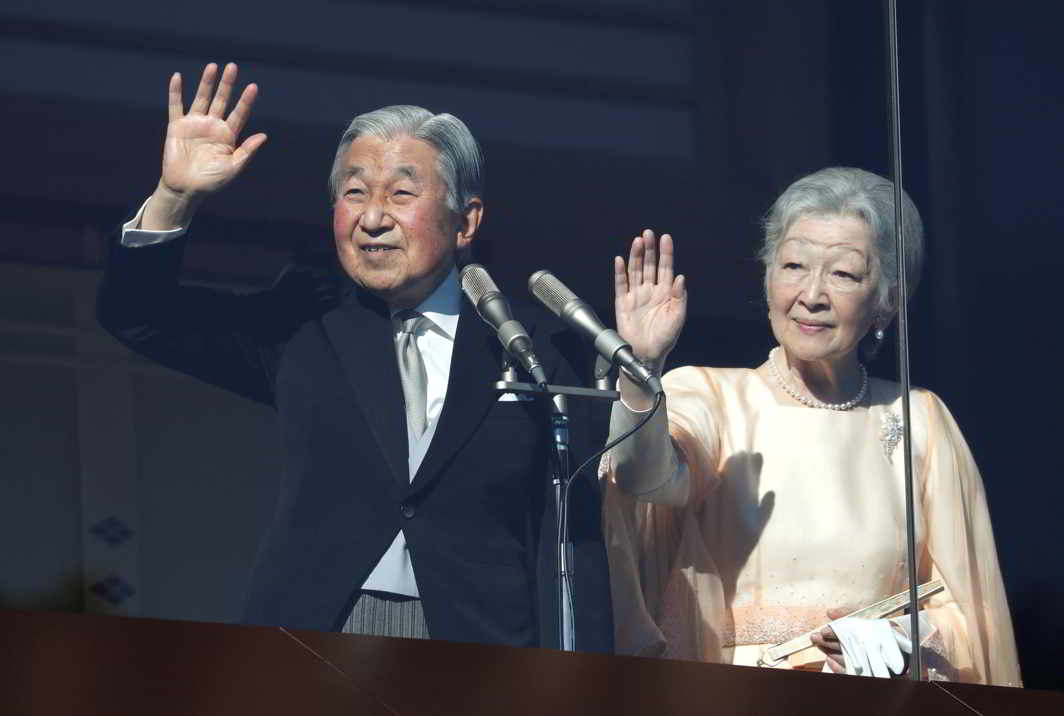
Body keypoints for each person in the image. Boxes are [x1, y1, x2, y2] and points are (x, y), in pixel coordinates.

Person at [97, 62, 613, 651]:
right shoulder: (303, 323)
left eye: (400, 193)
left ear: (466, 221)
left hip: (480, 641)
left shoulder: (529, 345)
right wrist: (174, 198)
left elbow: (578, 531)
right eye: (354, 192)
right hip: (317, 631)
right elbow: (138, 318)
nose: (372, 218)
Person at [601, 167, 1021, 685]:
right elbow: (642, 479)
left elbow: (972, 616)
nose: (812, 294)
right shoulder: (710, 395)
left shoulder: (918, 420)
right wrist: (642, 369)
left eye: (844, 274)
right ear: (768, 275)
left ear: (887, 300)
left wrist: (897, 643)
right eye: (794, 265)